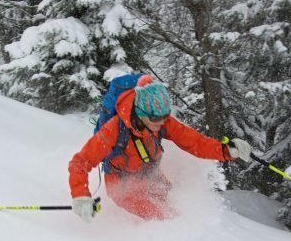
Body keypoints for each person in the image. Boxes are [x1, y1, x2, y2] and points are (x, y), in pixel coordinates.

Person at [68, 75, 251, 222]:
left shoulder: (161, 121)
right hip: (123, 186)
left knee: (177, 211)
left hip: (151, 175)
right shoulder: (114, 130)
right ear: (141, 113)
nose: (163, 122)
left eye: (165, 116)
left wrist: (225, 151)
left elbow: (195, 142)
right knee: (161, 219)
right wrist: (80, 195)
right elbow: (80, 162)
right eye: (156, 119)